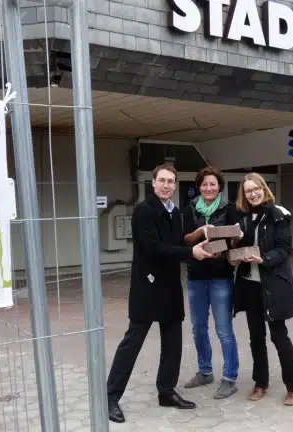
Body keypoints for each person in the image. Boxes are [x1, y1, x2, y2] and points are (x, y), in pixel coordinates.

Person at [106, 163, 215, 424]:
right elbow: (154, 248)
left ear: (175, 186)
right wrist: (191, 253)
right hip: (148, 285)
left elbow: (176, 243)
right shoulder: (144, 211)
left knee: (173, 343)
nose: (166, 185)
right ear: (153, 183)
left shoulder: (175, 212)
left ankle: (166, 392)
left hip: (169, 286)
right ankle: (109, 398)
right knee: (132, 342)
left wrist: (198, 236)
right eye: (162, 180)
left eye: (171, 181)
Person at [229, 173, 293, 406]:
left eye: (256, 188)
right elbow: (241, 248)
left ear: (264, 189)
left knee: (279, 336)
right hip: (249, 285)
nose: (252, 193)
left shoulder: (277, 215)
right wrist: (234, 253)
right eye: (248, 190)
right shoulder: (243, 219)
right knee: (256, 337)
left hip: (272, 285)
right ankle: (260, 383)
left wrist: (265, 259)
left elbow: (284, 249)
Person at [181, 166, 241, 399]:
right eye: (204, 184)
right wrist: (200, 232)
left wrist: (229, 240)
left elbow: (236, 240)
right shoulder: (189, 210)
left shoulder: (229, 209)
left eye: (213, 184)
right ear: (199, 186)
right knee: (198, 328)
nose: (208, 188)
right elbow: (183, 241)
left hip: (220, 277)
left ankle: (230, 378)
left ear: (219, 187)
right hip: (195, 277)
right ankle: (205, 371)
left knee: (224, 329)